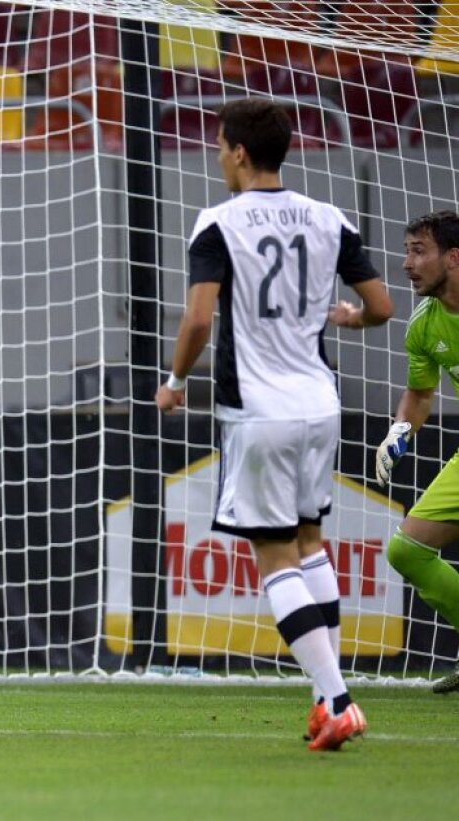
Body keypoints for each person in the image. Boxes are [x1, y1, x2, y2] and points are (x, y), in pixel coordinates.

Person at [154, 99, 393, 750]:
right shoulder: (328, 217)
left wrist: (174, 382)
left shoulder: (218, 223)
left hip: (259, 410)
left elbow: (200, 320)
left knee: (275, 554)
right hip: (320, 403)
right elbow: (381, 304)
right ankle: (327, 697)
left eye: (219, 146)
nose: (218, 157)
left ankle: (338, 700)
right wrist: (349, 319)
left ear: (236, 151)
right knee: (311, 541)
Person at [372, 209, 459, 695]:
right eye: (406, 251)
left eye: (418, 251)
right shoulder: (424, 324)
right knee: (408, 549)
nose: (407, 263)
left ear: (453, 256)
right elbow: (421, 394)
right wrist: (399, 432)